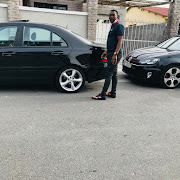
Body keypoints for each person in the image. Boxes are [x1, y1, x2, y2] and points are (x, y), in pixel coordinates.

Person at [92, 10, 124, 100]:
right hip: (111, 53)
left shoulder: (119, 26)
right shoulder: (113, 26)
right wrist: (106, 51)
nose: (111, 16)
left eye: (113, 15)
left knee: (108, 74)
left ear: (117, 16)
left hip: (115, 54)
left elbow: (120, 41)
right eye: (110, 15)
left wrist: (115, 54)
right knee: (114, 74)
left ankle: (102, 94)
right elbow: (112, 42)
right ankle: (113, 93)